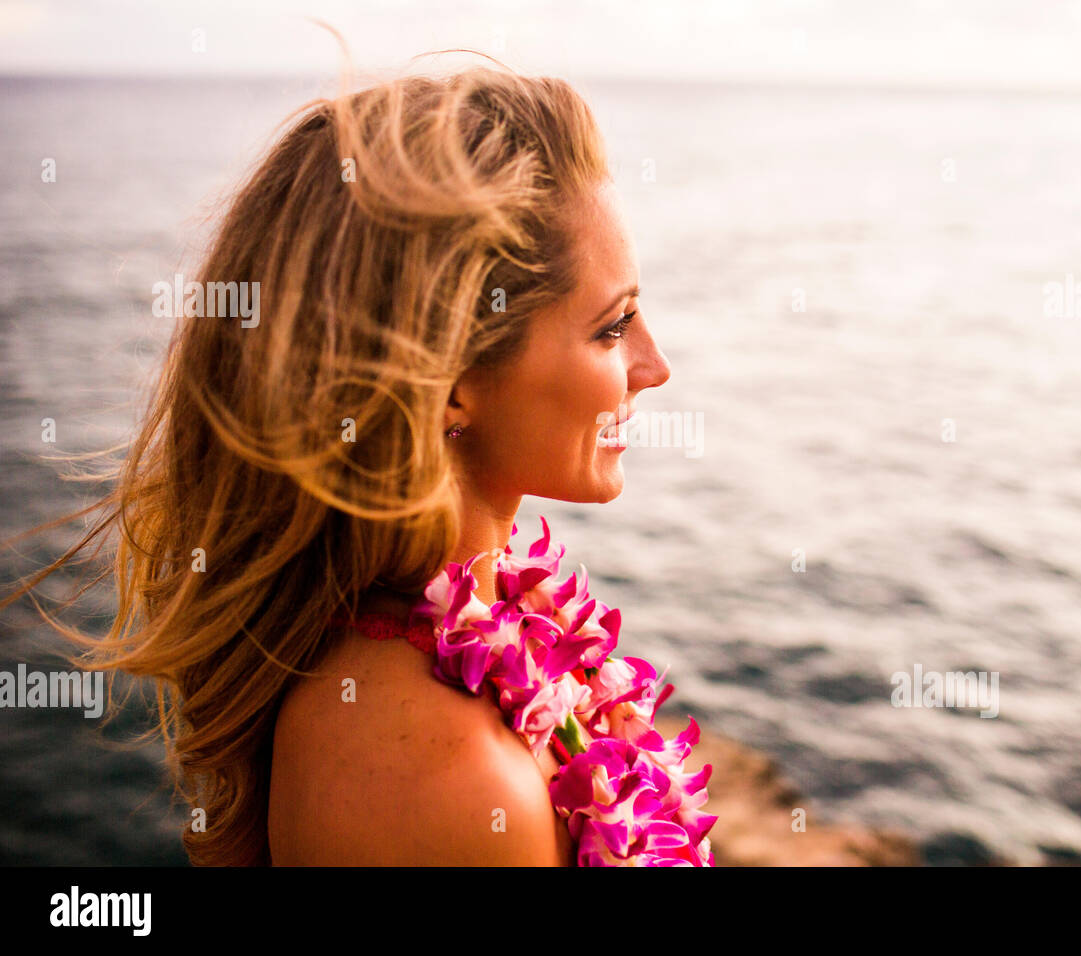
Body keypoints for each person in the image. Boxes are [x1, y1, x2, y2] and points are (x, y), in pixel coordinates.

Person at [1, 61, 672, 865]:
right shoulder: (454, 783)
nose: (653, 363)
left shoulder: (455, 647)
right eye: (612, 326)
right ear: (452, 385)